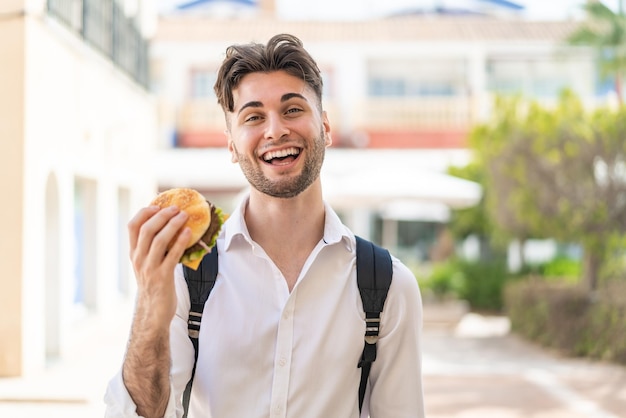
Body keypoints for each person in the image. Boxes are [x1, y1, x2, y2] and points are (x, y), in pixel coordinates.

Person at [104, 33, 424, 418]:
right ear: (232, 146)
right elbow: (141, 413)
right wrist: (151, 306)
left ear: (325, 126)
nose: (275, 130)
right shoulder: (187, 273)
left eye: (292, 110)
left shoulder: (387, 285)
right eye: (253, 117)